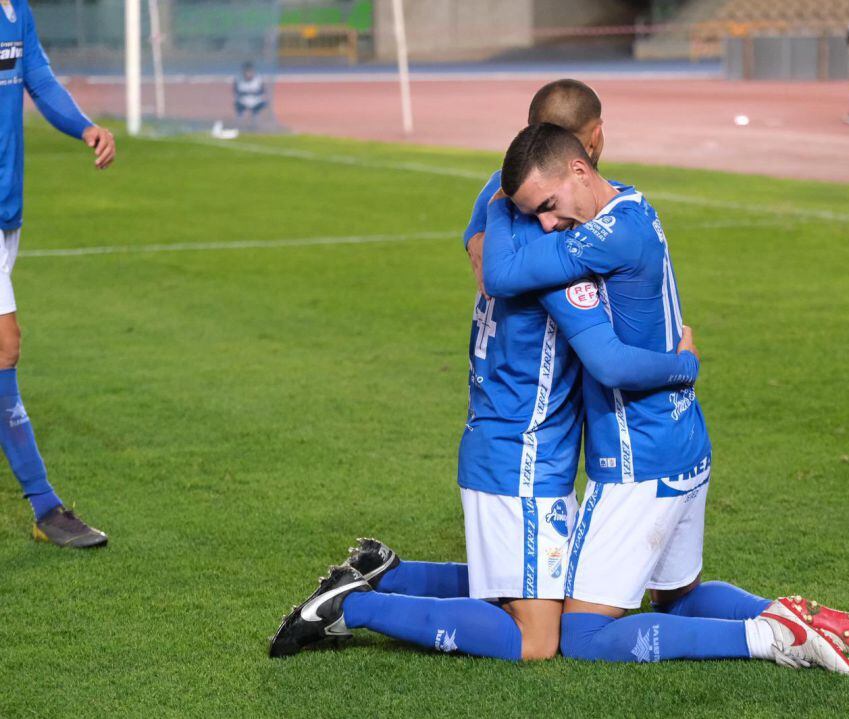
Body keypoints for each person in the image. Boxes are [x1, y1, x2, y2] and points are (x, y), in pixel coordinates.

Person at [269, 81, 701, 661]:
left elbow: (487, 247)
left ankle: (390, 572)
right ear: (589, 146)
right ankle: (350, 608)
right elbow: (603, 356)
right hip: (524, 445)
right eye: (541, 209)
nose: (550, 220)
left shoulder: (500, 203)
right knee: (538, 639)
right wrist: (683, 365)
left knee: (548, 586)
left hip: (511, 430)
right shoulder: (550, 243)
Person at [481, 123, 849, 670]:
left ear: (580, 169)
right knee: (678, 598)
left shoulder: (600, 239)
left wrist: (495, 202)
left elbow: (500, 272)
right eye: (533, 211)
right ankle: (788, 615)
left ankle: (769, 639)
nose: (547, 222)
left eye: (550, 204)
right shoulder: (632, 206)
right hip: (685, 443)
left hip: (639, 459)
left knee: (580, 635)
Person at [1, 0, 114, 547]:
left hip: (7, 208)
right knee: (5, 346)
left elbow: (39, 81)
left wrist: (86, 128)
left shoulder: (16, 11)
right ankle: (46, 507)